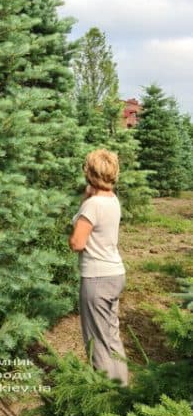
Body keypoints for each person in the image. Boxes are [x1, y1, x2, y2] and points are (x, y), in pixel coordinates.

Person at [68, 148, 129, 386]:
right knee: (112, 337)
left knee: (97, 343)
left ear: (90, 172)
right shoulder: (112, 200)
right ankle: (122, 390)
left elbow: (77, 242)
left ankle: (105, 400)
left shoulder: (92, 205)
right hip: (115, 273)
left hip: (97, 279)